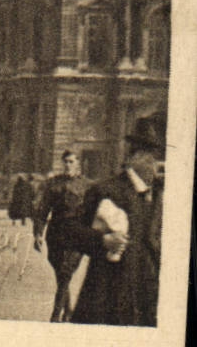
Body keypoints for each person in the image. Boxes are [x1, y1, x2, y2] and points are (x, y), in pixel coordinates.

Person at [65, 115, 164, 326]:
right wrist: (102, 240)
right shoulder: (106, 190)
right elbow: (70, 230)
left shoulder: (160, 194)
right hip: (108, 295)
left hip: (149, 298)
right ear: (137, 157)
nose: (157, 166)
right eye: (153, 158)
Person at [32, 149, 91, 322]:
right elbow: (43, 209)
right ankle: (69, 310)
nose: (68, 165)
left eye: (71, 161)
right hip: (56, 234)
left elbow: (92, 211)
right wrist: (38, 233)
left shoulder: (87, 185)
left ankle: (55, 315)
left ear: (78, 163)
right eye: (65, 161)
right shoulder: (53, 184)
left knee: (66, 273)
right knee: (61, 273)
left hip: (76, 235)